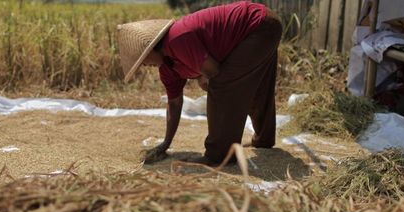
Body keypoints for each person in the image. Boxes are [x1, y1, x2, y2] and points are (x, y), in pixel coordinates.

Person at [117, 1, 282, 165]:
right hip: (261, 27)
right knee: (259, 87)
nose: (144, 66)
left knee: (223, 86)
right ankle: (263, 139)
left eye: (142, 60)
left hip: (257, 25)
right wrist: (165, 144)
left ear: (150, 47)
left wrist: (202, 78)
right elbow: (174, 104)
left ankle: (219, 155)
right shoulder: (166, 69)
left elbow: (213, 72)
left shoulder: (177, 39)